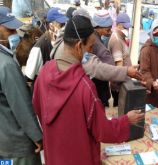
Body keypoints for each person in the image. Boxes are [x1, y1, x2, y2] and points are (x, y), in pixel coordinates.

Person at [33, 15, 145, 165]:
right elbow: (103, 130)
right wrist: (126, 120)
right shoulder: (84, 87)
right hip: (80, 156)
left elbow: (37, 107)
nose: (92, 52)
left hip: (54, 153)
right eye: (91, 47)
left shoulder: (44, 72)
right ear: (79, 46)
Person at [0, 6, 42, 165]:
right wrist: (37, 136)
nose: (14, 33)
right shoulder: (6, 65)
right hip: (17, 144)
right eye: (8, 29)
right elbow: (20, 105)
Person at [25, 7, 68, 82]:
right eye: (61, 25)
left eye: (65, 24)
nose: (64, 28)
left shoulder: (63, 41)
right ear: (51, 25)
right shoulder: (40, 47)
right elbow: (29, 75)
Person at [139, 19, 158, 111]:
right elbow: (144, 70)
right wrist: (151, 82)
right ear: (152, 34)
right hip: (153, 90)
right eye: (156, 35)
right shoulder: (146, 49)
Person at [91, 10, 114, 107]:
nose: (110, 32)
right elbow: (110, 67)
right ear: (98, 27)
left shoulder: (97, 37)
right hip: (98, 87)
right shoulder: (95, 42)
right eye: (108, 30)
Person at [108, 13, 132, 107]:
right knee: (120, 110)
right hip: (119, 86)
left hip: (122, 84)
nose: (127, 29)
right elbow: (119, 66)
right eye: (125, 27)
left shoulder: (120, 38)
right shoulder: (117, 40)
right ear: (118, 25)